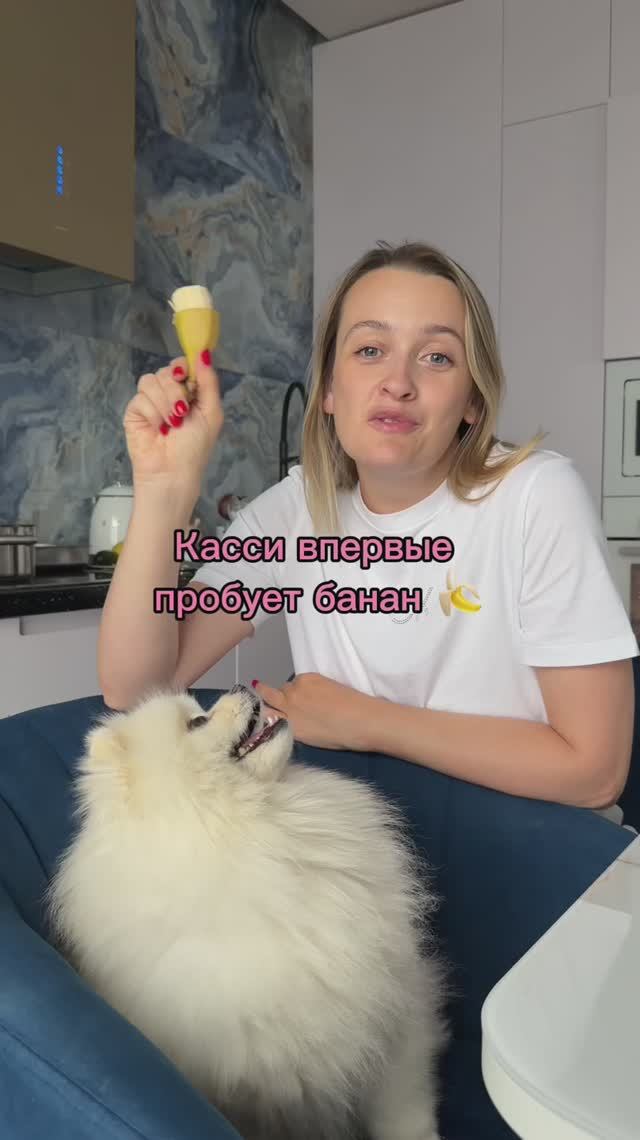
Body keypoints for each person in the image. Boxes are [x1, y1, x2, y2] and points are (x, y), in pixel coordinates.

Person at [99, 241, 638, 811]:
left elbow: (595, 772)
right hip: (371, 841)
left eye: (437, 358)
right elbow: (137, 691)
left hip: (536, 843)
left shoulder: (536, 495)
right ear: (330, 389)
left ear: (473, 401)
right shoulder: (295, 510)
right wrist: (164, 489)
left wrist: (367, 721)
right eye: (370, 349)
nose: (398, 382)